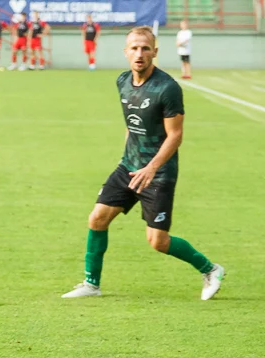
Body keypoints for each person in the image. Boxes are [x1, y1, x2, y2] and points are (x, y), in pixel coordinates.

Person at [62, 26, 223, 300]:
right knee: (97, 218)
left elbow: (175, 136)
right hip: (129, 166)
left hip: (158, 173)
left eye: (145, 48)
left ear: (155, 53)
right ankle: (92, 284)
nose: (140, 53)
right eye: (134, 48)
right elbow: (132, 125)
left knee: (158, 241)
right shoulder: (122, 81)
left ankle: (210, 269)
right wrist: (126, 156)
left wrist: (152, 167)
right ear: (126, 52)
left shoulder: (167, 88)